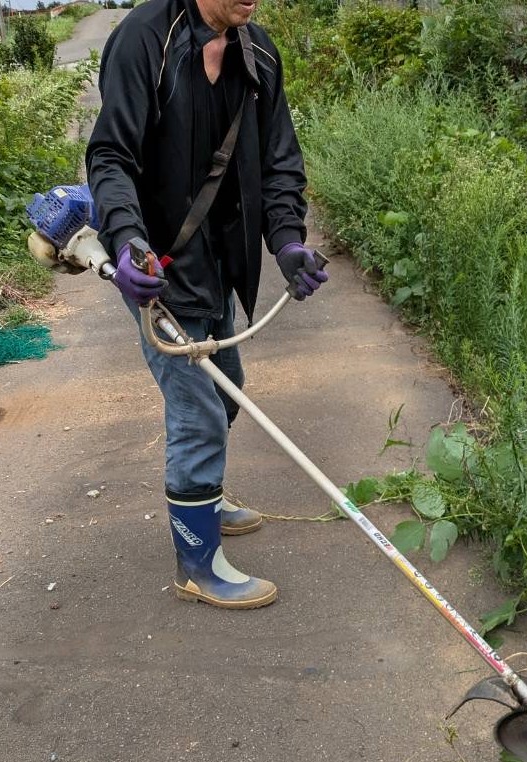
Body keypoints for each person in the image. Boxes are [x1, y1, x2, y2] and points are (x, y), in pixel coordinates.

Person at [85, 0, 327, 610]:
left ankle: (205, 498)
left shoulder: (258, 51)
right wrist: (127, 240)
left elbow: (279, 161)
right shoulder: (145, 40)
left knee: (227, 388)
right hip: (156, 263)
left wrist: (287, 240)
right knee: (197, 411)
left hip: (221, 259)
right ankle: (198, 566)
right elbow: (111, 156)